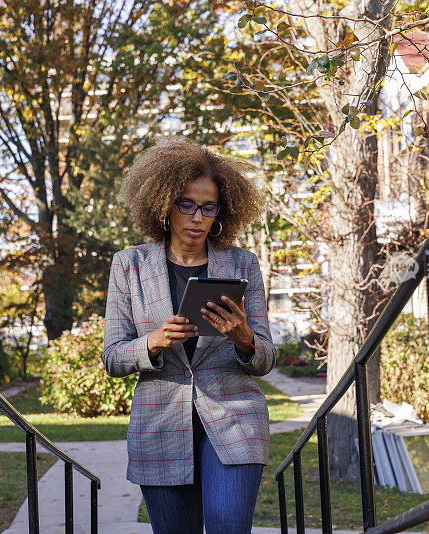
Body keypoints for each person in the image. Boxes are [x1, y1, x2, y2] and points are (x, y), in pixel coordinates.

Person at [102, 137, 276, 534]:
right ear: (165, 204)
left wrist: (244, 338)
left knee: (228, 526)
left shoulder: (242, 263)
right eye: (187, 204)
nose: (197, 216)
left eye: (208, 207)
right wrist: (153, 342)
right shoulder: (129, 265)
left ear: (221, 211)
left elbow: (265, 358)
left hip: (235, 419)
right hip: (159, 426)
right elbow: (112, 357)